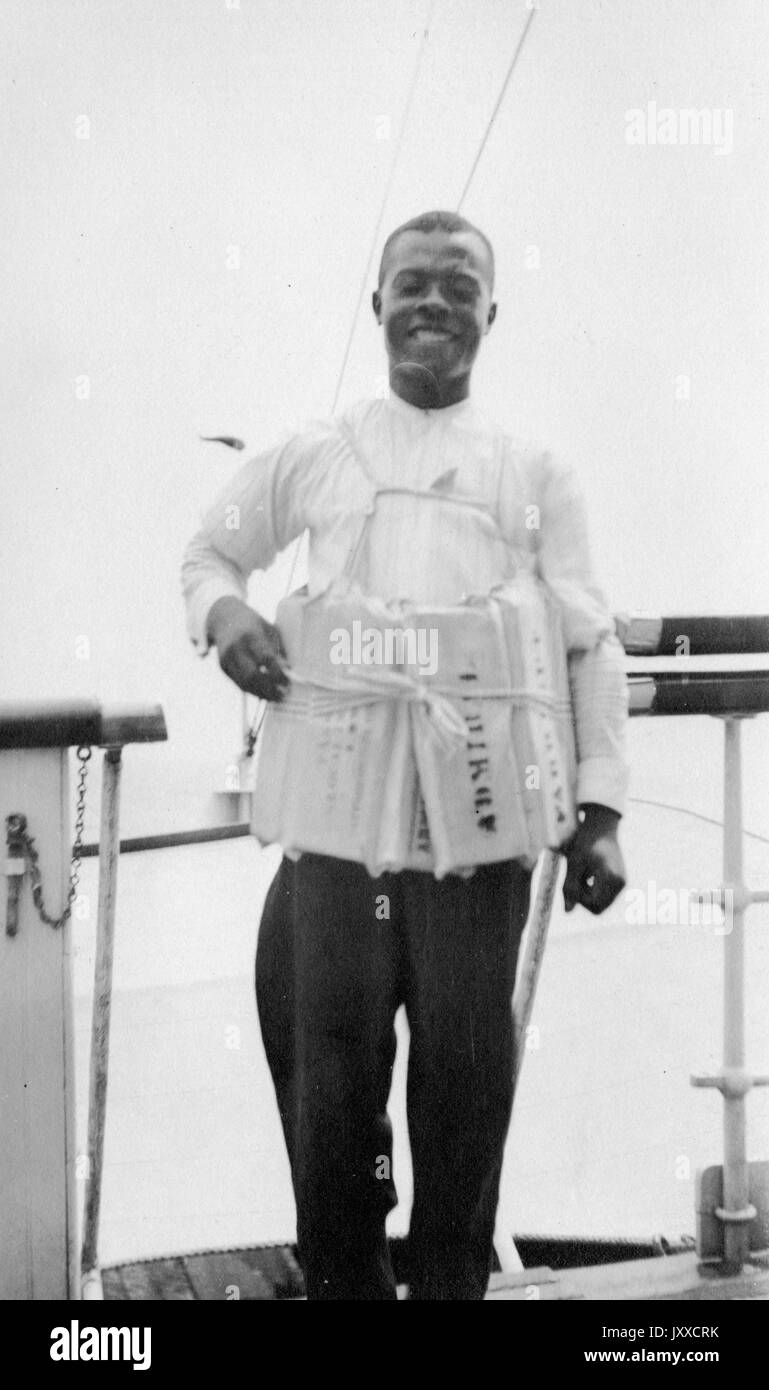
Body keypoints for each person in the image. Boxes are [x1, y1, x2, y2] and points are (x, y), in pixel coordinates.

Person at [181, 210, 628, 1300]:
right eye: (412, 284)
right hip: (337, 857)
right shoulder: (317, 452)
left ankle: (448, 1290)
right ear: (373, 303)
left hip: (474, 864)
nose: (434, 304)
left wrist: (602, 813)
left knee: (465, 1100)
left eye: (457, 287)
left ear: (490, 313)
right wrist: (226, 616)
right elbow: (208, 553)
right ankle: (344, 1283)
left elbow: (589, 638)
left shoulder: (536, 474)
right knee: (332, 1102)